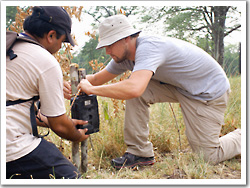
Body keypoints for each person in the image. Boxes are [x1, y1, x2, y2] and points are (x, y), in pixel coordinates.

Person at [66, 14, 241, 170]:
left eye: (110, 45)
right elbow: (95, 79)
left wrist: (93, 90)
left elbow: (133, 87)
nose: (107, 51)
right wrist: (69, 86)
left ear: (126, 38)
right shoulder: (123, 57)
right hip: (180, 87)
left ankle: (243, 136)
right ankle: (139, 153)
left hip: (208, 92)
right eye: (105, 46)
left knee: (209, 156)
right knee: (137, 89)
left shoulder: (149, 47)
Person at [6, 6, 89, 179]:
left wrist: (62, 121)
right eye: (62, 41)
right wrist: (76, 134)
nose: (60, 47)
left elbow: (13, 104)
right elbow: (59, 124)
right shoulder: (45, 61)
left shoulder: (9, 47)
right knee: (72, 178)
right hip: (10, 146)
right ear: (51, 35)